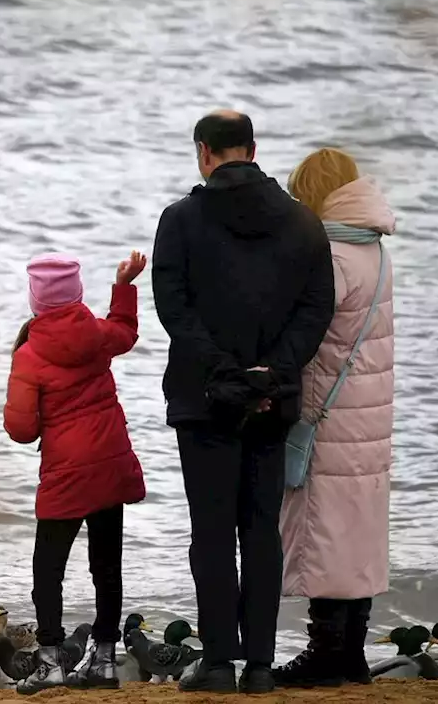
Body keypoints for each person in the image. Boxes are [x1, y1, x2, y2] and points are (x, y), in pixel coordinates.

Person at [151, 110, 335, 694]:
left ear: (204, 152)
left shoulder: (180, 220)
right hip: (272, 400)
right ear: (253, 150)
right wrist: (273, 372)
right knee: (261, 529)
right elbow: (316, 309)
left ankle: (217, 663)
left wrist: (223, 372)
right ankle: (260, 665)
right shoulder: (304, 223)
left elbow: (172, 306)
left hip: (206, 399)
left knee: (210, 532)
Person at [274, 148, 395, 688]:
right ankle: (352, 654)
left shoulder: (334, 256)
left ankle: (325, 652)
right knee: (358, 530)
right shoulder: (374, 249)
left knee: (323, 529)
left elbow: (308, 331)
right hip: (370, 415)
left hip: (331, 412)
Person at [3, 250, 148, 694]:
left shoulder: (29, 355)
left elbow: (21, 430)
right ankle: (103, 660)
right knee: (107, 566)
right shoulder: (97, 334)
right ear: (77, 294)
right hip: (109, 464)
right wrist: (123, 286)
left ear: (35, 301)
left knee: (48, 569)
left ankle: (50, 661)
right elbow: (125, 332)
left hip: (66, 473)